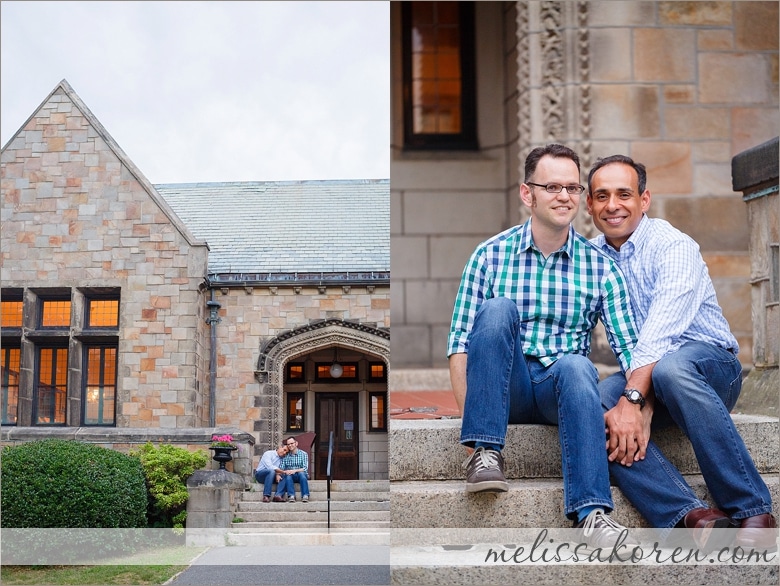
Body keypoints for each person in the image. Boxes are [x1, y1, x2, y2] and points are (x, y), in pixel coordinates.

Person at [447, 143, 640, 549]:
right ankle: (485, 452)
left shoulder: (599, 266)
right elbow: (461, 345)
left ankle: (592, 513)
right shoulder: (490, 255)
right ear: (527, 193)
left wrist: (637, 406)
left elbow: (631, 350)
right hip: (506, 388)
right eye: (552, 186)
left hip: (560, 390)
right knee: (498, 310)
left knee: (577, 365)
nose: (564, 196)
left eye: (572, 187)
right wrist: (471, 425)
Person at [586, 154, 776, 551]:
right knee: (595, 403)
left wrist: (637, 399)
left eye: (624, 193)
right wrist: (630, 400)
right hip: (647, 374)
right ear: (589, 205)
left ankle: (752, 506)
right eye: (601, 196)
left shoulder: (673, 245)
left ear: (644, 199)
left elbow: (661, 334)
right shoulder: (589, 257)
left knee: (672, 368)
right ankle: (690, 514)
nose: (612, 205)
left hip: (709, 369)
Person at [280, 436, 310, 503]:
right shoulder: (286, 456)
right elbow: (281, 468)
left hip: (301, 474)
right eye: (288, 444)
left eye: (292, 443)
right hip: (291, 476)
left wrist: (294, 471)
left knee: (302, 474)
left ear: (296, 443)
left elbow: (305, 468)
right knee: (288, 476)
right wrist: (285, 471)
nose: (290, 445)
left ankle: (305, 495)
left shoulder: (303, 454)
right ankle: (291, 496)